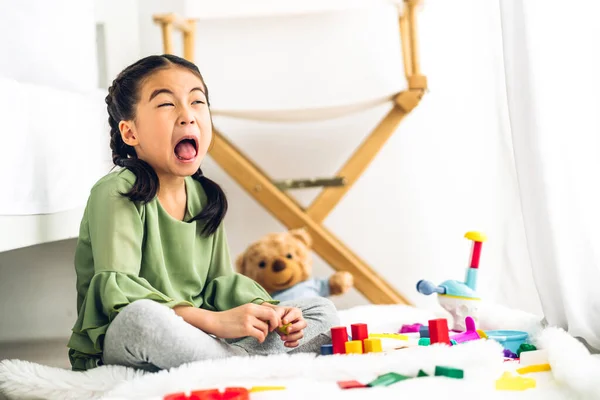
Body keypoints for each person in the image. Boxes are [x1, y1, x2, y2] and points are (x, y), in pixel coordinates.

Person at [66, 54, 339, 372]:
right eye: (167, 104)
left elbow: (219, 284)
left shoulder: (204, 195)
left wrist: (269, 310)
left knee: (322, 312)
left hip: (198, 336)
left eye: (197, 102)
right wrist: (214, 321)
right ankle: (238, 362)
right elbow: (120, 295)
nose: (187, 116)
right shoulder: (115, 192)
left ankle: (222, 362)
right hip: (127, 340)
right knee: (141, 320)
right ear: (130, 133)